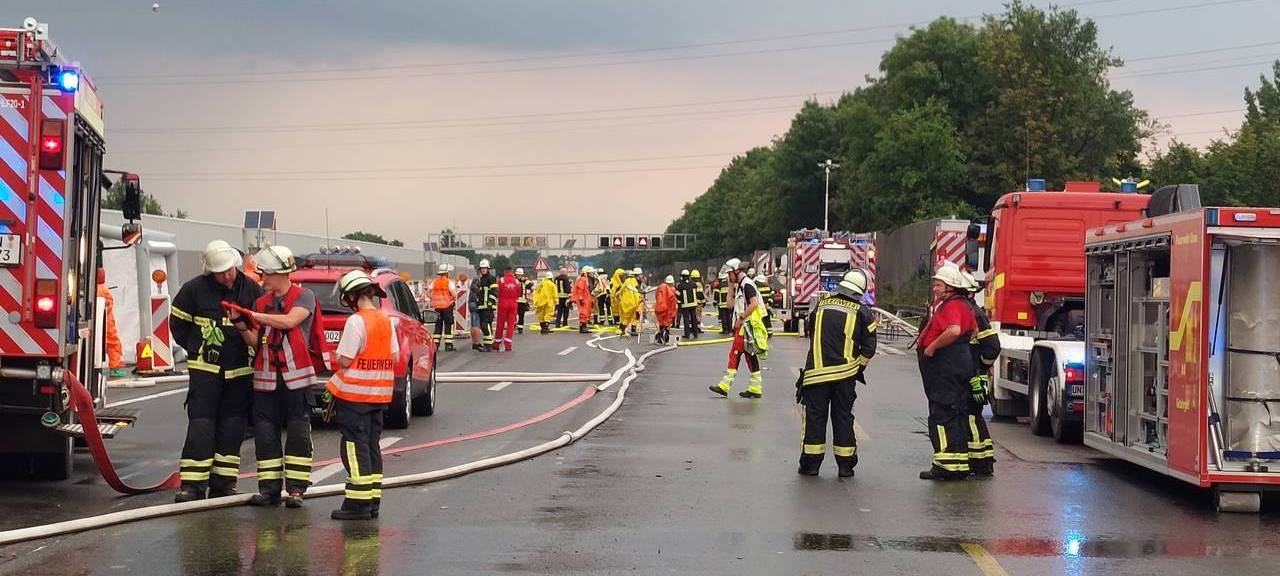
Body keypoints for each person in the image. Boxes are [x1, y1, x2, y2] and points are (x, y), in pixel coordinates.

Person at [171, 240, 264, 502]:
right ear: (209, 271)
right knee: (201, 425)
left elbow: (261, 326)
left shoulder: (251, 289)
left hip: (239, 372)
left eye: (230, 270)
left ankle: (224, 484)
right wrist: (196, 347)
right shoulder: (193, 291)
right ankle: (192, 486)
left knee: (233, 426)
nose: (227, 275)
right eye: (221, 272)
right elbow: (178, 326)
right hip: (206, 371)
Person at [244, 245, 319, 507]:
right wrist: (242, 324)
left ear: (279, 274)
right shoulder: (261, 303)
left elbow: (289, 322)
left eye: (265, 274)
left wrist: (254, 316)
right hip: (265, 378)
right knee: (265, 434)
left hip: (296, 378)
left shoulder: (304, 297)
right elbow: (256, 342)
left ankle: (296, 490)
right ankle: (269, 489)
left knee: (298, 432)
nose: (262, 279)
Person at [327, 270, 397, 521]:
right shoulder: (385, 319)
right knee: (371, 445)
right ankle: (372, 500)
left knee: (354, 448)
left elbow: (345, 359)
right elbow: (395, 355)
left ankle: (357, 503)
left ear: (352, 296)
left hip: (355, 397)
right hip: (379, 396)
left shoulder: (356, 322)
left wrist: (336, 357)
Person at [797, 270, 877, 478]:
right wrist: (858, 368)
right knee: (843, 418)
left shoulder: (821, 305)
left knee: (815, 418)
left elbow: (810, 329)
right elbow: (869, 347)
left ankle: (811, 466)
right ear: (859, 291)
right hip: (845, 375)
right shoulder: (863, 312)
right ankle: (845, 466)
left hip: (816, 374)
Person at [917, 263, 978, 481]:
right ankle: (959, 464)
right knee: (957, 414)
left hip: (946, 368)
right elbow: (973, 332)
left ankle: (945, 465)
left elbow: (954, 330)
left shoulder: (952, 306)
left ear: (950, 287)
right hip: (959, 364)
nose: (935, 288)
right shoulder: (965, 305)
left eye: (938, 284)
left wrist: (932, 347)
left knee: (942, 415)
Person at [960, 270, 1000, 476]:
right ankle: (980, 460)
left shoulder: (975, 314)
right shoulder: (970, 310)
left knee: (971, 417)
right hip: (971, 374)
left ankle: (980, 463)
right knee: (972, 417)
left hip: (974, 376)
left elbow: (992, 347)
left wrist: (980, 368)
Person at [711, 258, 768, 398]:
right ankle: (756, 387)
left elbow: (754, 304)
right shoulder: (741, 285)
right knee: (750, 356)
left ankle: (724, 385)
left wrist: (741, 318)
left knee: (734, 354)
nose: (728, 276)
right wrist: (730, 287)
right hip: (745, 327)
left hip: (746, 327)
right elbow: (729, 305)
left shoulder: (747, 285)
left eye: (730, 273)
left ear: (736, 271)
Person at [96, 270, 128, 378]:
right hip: (108, 322)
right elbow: (109, 305)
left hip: (100, 321)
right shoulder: (104, 290)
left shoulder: (93, 289)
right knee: (114, 344)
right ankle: (116, 368)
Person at [495, 266, 522, 352]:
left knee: (500, 323)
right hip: (513, 304)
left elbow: (497, 292)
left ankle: (497, 343)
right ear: (512, 272)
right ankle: (508, 344)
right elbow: (519, 293)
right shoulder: (517, 282)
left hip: (503, 303)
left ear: (505, 271)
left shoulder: (501, 280)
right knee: (511, 324)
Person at [429, 265, 456, 352]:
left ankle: (436, 345)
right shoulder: (449, 282)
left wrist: (432, 299)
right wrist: (452, 299)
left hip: (437, 308)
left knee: (438, 326)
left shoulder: (435, 282)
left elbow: (427, 291)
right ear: (447, 273)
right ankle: (448, 345)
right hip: (447, 307)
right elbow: (454, 294)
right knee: (448, 325)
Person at [473, 260, 498, 351]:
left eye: (485, 268)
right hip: (481, 306)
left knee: (485, 325)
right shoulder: (480, 279)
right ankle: (488, 344)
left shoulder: (491, 278)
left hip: (487, 306)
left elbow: (495, 292)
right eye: (482, 268)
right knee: (487, 326)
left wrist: (490, 303)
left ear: (488, 268)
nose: (483, 270)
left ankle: (488, 346)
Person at [617, 270, 644, 338]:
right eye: (640, 275)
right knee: (634, 316)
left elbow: (621, 290)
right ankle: (632, 330)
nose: (641, 276)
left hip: (626, 302)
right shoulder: (633, 281)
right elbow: (638, 290)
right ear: (636, 276)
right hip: (632, 302)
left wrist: (618, 296)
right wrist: (643, 293)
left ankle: (623, 330)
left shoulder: (627, 281)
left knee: (626, 317)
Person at [677, 270, 700, 340]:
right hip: (693, 305)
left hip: (685, 306)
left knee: (686, 320)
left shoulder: (680, 285)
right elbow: (697, 293)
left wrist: (679, 305)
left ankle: (687, 335)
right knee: (694, 320)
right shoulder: (693, 284)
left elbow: (678, 296)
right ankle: (695, 334)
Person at [654, 275, 678, 345]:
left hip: (660, 308)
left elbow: (657, 297)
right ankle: (664, 336)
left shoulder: (660, 288)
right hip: (667, 309)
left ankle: (660, 337)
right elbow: (672, 301)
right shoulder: (672, 290)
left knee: (661, 323)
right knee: (666, 323)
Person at [572, 266, 595, 334]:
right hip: (583, 299)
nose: (591, 274)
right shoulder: (583, 279)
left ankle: (584, 326)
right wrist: (581, 298)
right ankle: (582, 327)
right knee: (583, 313)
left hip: (586, 298)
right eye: (590, 273)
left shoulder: (585, 279)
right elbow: (580, 290)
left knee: (585, 313)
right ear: (586, 273)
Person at [516, 268, 532, 334]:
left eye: (520, 275)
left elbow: (530, 284)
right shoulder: (514, 280)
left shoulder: (524, 281)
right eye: (518, 275)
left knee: (521, 315)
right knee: (513, 314)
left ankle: (520, 327)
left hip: (522, 300)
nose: (519, 276)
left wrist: (525, 280)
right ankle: (514, 325)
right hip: (515, 300)